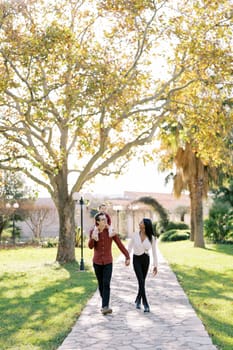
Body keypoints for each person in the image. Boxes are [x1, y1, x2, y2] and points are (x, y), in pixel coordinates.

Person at [88, 212, 130, 315]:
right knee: (101, 285)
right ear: (97, 222)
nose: (105, 220)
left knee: (106, 283)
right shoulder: (93, 231)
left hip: (108, 262)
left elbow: (119, 244)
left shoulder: (111, 232)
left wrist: (127, 256)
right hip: (97, 262)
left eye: (105, 219)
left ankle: (105, 307)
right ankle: (105, 304)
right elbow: (90, 246)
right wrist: (93, 237)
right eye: (102, 219)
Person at [128, 218, 158, 313]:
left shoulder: (152, 238)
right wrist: (127, 258)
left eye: (141, 222)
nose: (139, 223)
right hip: (136, 259)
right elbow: (129, 247)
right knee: (140, 280)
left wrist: (155, 265)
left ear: (145, 225)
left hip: (146, 260)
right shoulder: (135, 235)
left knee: (142, 282)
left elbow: (154, 252)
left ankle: (138, 300)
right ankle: (145, 303)